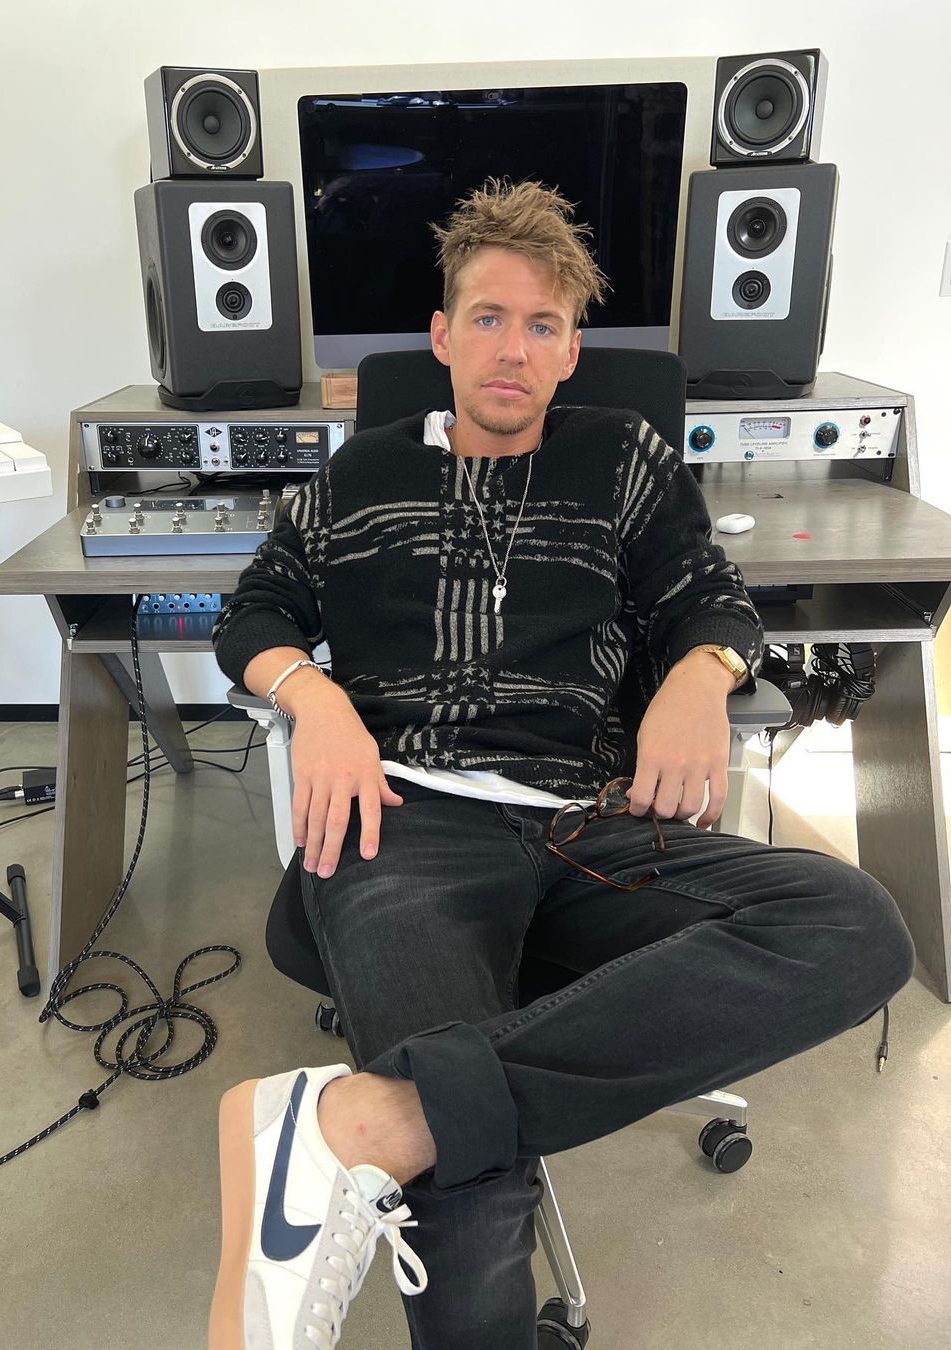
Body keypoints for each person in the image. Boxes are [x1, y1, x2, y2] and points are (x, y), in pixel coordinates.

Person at [205, 178, 915, 1350]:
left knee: (856, 928)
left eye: (543, 326)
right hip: (403, 819)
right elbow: (253, 615)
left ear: (572, 350)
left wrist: (700, 677)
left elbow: (712, 598)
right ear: (442, 335)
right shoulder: (357, 475)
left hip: (590, 821)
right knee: (473, 1183)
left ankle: (372, 1121)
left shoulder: (621, 460)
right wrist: (314, 697)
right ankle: (438, 1122)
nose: (513, 349)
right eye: (488, 317)